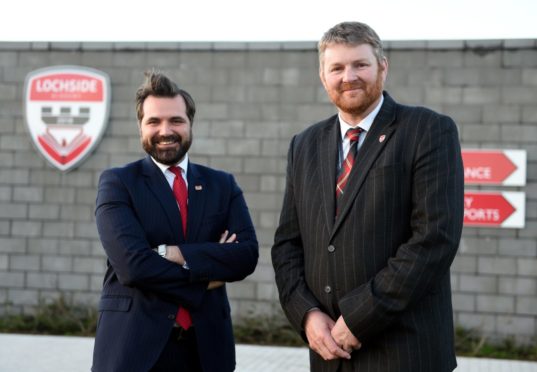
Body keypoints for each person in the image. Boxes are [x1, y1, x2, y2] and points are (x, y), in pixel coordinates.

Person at [272, 21, 463, 372]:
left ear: (383, 67)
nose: (350, 76)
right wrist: (308, 315)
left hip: (405, 354)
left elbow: (434, 240)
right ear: (322, 76)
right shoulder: (305, 144)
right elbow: (287, 244)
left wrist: (359, 317)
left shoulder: (428, 130)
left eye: (360, 64)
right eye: (337, 68)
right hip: (329, 355)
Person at [91, 70, 258, 372]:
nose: (165, 130)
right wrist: (208, 272)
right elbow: (132, 266)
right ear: (140, 126)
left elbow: (245, 256)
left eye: (176, 121)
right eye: (154, 121)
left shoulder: (223, 185)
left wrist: (171, 253)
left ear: (190, 124)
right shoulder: (118, 183)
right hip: (133, 350)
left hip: (206, 352)